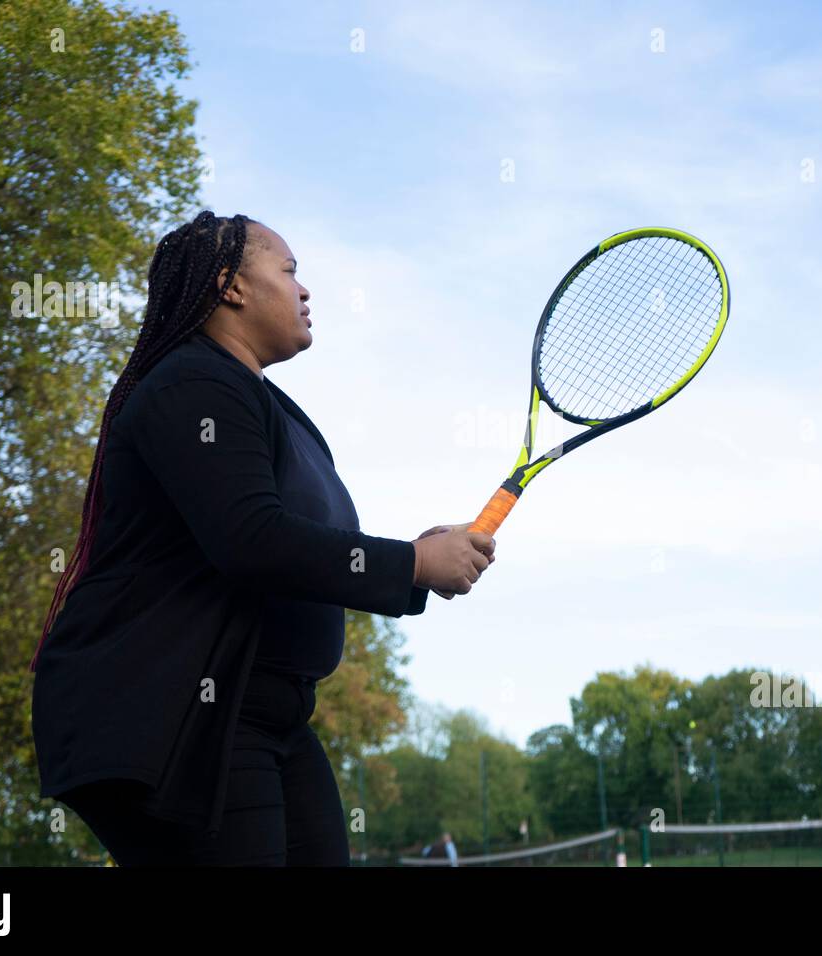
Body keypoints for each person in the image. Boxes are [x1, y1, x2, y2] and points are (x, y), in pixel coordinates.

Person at [29, 211, 494, 865]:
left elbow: (304, 547)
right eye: (289, 271)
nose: (305, 291)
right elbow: (250, 540)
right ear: (231, 285)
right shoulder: (193, 383)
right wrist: (413, 564)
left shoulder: (268, 407)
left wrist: (418, 557)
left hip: (259, 712)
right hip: (174, 715)